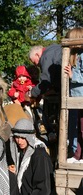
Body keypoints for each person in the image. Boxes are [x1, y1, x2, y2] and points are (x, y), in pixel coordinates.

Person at [8, 118, 55, 195]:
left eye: (23, 137)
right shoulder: (21, 151)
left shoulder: (39, 156)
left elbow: (43, 189)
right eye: (17, 137)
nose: (19, 141)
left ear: (30, 136)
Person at [64, 27, 83, 163]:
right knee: (79, 127)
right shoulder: (76, 55)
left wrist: (73, 75)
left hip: (81, 97)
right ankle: (78, 155)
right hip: (76, 98)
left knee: (82, 128)